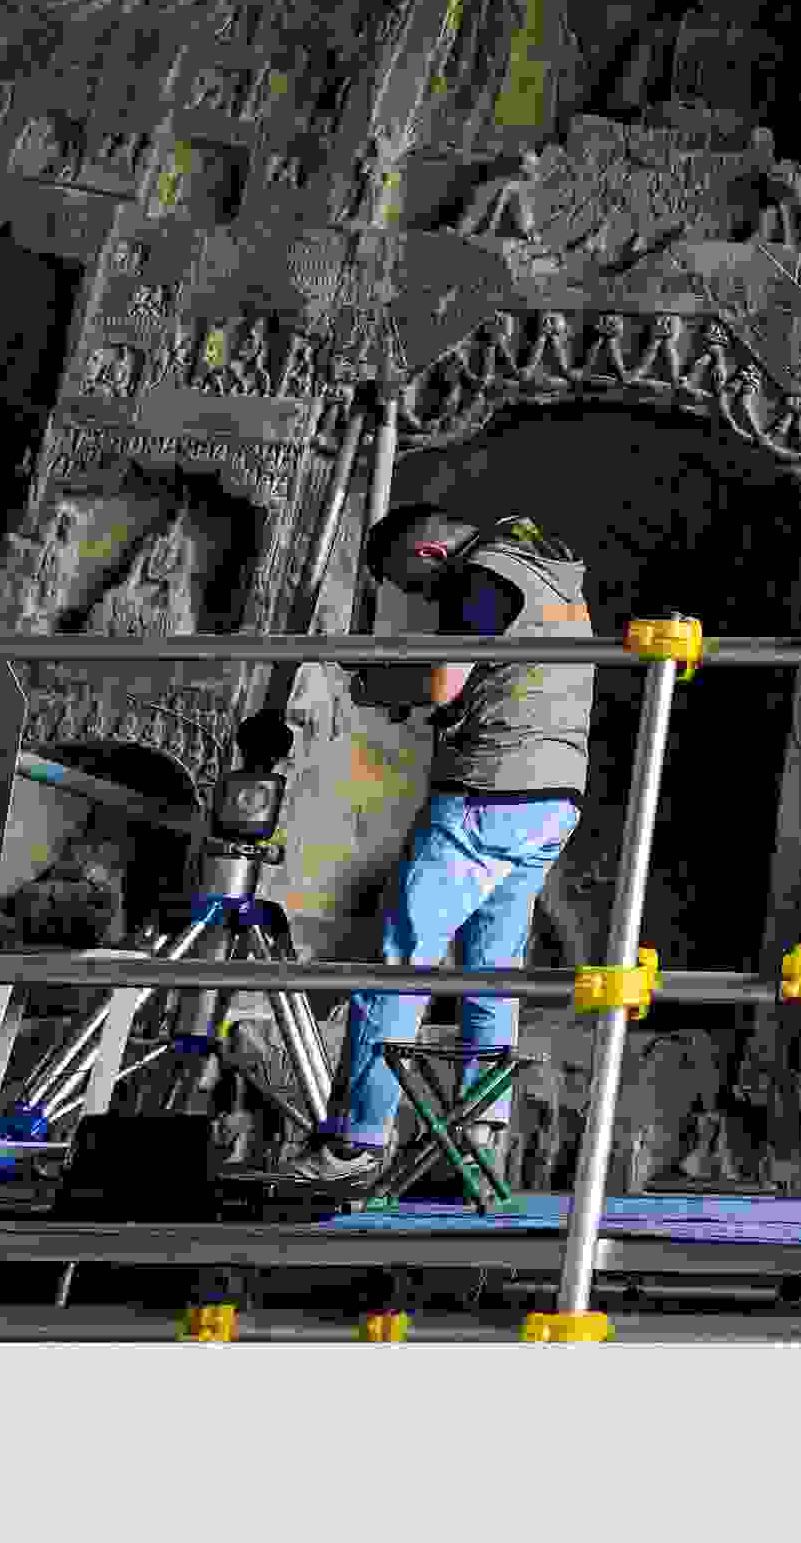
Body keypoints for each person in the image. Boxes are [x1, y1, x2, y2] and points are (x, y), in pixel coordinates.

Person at [280, 502, 603, 1189]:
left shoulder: (479, 575)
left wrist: (376, 682)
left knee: (401, 960)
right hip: (553, 798)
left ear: (429, 554)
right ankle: (480, 1142)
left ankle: (355, 1142)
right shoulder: (548, 570)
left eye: (415, 585)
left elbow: (443, 681)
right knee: (491, 971)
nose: (426, 600)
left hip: (487, 791)